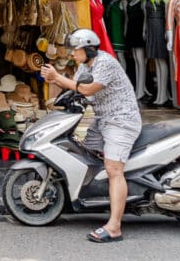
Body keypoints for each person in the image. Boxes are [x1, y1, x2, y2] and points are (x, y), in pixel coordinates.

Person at [41, 28, 141, 244]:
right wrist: (53, 79)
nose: (72, 54)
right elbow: (75, 88)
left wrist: (59, 77)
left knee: (114, 169)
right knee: (87, 153)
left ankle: (114, 226)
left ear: (87, 48)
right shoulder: (84, 66)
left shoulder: (106, 63)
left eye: (75, 50)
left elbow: (87, 89)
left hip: (121, 120)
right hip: (102, 119)